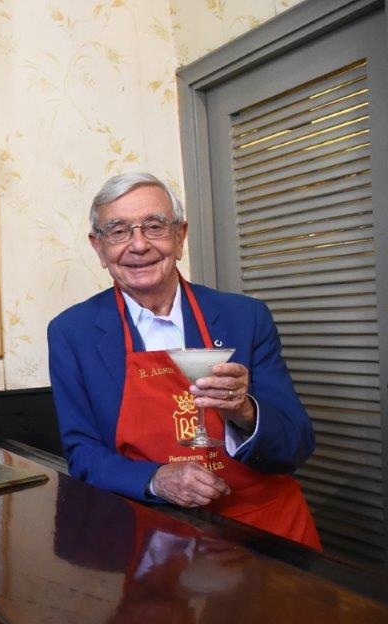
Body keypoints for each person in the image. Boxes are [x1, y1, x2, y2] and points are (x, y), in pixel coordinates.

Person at [47, 172, 320, 548]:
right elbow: (84, 456)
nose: (138, 245)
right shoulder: (71, 332)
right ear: (98, 247)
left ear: (180, 236)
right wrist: (157, 480)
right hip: (157, 535)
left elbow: (297, 444)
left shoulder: (245, 317)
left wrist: (244, 412)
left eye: (154, 226)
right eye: (119, 231)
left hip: (264, 529)